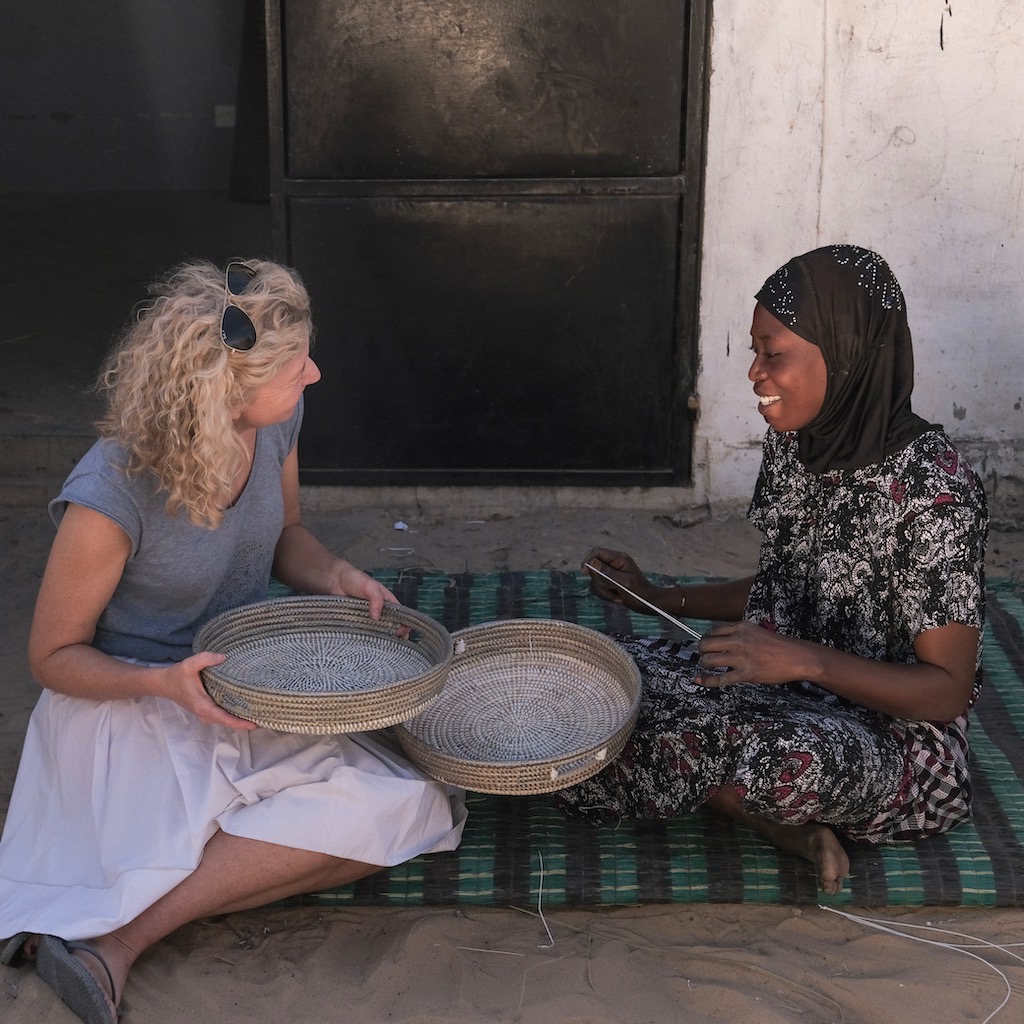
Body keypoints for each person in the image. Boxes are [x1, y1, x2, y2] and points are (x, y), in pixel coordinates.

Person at [0, 259, 466, 1024]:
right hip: (133, 701)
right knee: (276, 830)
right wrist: (165, 684)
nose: (314, 373)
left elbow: (284, 536)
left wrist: (337, 573)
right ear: (227, 387)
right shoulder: (112, 492)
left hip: (239, 688)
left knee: (412, 807)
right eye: (295, 365)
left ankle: (126, 922)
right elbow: (51, 658)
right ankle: (115, 946)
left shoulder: (275, 421)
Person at [563, 244, 987, 895]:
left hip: (895, 740)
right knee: (591, 679)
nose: (756, 374)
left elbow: (945, 691)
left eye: (774, 353)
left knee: (767, 755)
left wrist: (804, 660)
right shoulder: (799, 443)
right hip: (783, 690)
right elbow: (790, 588)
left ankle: (752, 798)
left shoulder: (935, 491)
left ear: (845, 354)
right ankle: (771, 820)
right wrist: (660, 596)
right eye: (754, 351)